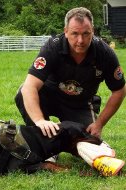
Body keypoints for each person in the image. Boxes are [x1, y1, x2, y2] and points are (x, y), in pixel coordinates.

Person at [15, 7, 126, 142]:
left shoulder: (105, 54)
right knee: (22, 92)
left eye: (86, 33)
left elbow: (119, 90)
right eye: (75, 33)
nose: (80, 40)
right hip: (50, 97)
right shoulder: (52, 48)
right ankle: (43, 142)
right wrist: (39, 120)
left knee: (89, 142)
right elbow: (29, 87)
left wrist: (99, 123)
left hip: (80, 104)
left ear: (93, 31)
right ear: (66, 31)